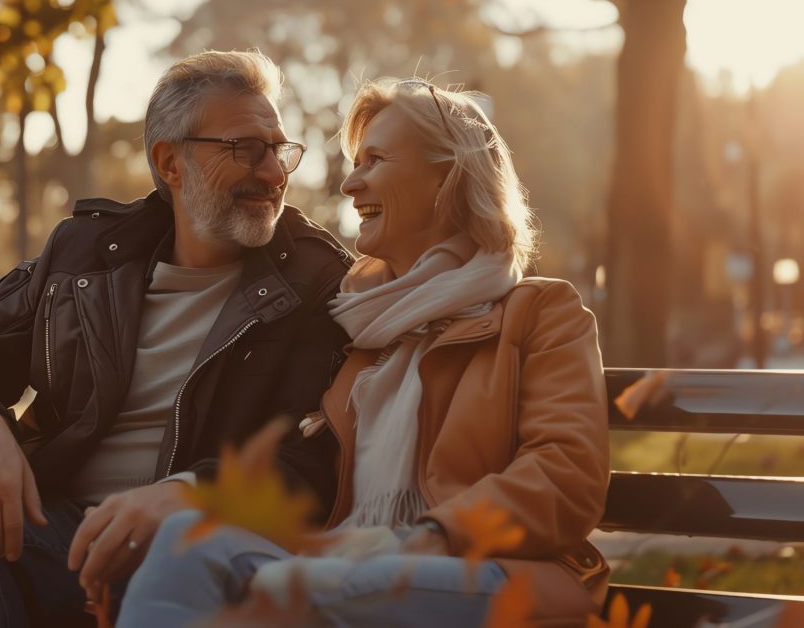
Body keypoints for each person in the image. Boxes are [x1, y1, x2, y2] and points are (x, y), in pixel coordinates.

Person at [118, 77, 610, 627]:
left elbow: (564, 474)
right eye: (356, 162)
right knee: (187, 541)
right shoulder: (358, 331)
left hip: (491, 572)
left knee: (290, 590)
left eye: (373, 160)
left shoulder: (539, 314)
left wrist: (430, 536)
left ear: (446, 176)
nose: (351, 184)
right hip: (348, 563)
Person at [0, 50, 353, 627]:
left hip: (200, 555)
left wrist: (189, 494)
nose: (273, 172)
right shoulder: (85, 254)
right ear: (171, 162)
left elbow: (313, 458)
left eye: (280, 149)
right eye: (246, 149)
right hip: (61, 538)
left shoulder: (315, 280)